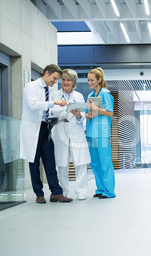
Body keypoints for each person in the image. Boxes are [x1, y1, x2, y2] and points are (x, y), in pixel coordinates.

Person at [20, 64, 73, 203]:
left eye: (57, 80)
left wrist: (55, 116)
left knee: (50, 161)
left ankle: (56, 192)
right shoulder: (31, 86)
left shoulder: (47, 89)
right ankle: (39, 194)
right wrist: (54, 102)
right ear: (47, 73)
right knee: (34, 162)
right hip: (32, 130)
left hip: (45, 128)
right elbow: (34, 105)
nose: (55, 82)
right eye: (54, 78)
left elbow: (46, 110)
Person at [51, 69, 91, 200]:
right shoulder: (55, 95)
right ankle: (64, 192)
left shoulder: (78, 96)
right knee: (62, 164)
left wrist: (79, 116)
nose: (65, 82)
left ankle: (81, 191)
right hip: (60, 133)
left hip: (76, 133)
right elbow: (53, 113)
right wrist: (64, 111)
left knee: (80, 163)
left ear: (74, 82)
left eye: (68, 80)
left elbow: (80, 118)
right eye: (63, 79)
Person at [85, 67, 116, 199]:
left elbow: (110, 113)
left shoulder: (105, 94)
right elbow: (87, 115)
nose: (90, 82)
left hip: (102, 134)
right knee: (95, 163)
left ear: (99, 80)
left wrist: (95, 108)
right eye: (88, 80)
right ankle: (100, 189)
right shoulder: (90, 96)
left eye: (92, 80)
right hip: (91, 133)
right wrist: (89, 113)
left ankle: (109, 191)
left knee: (105, 162)